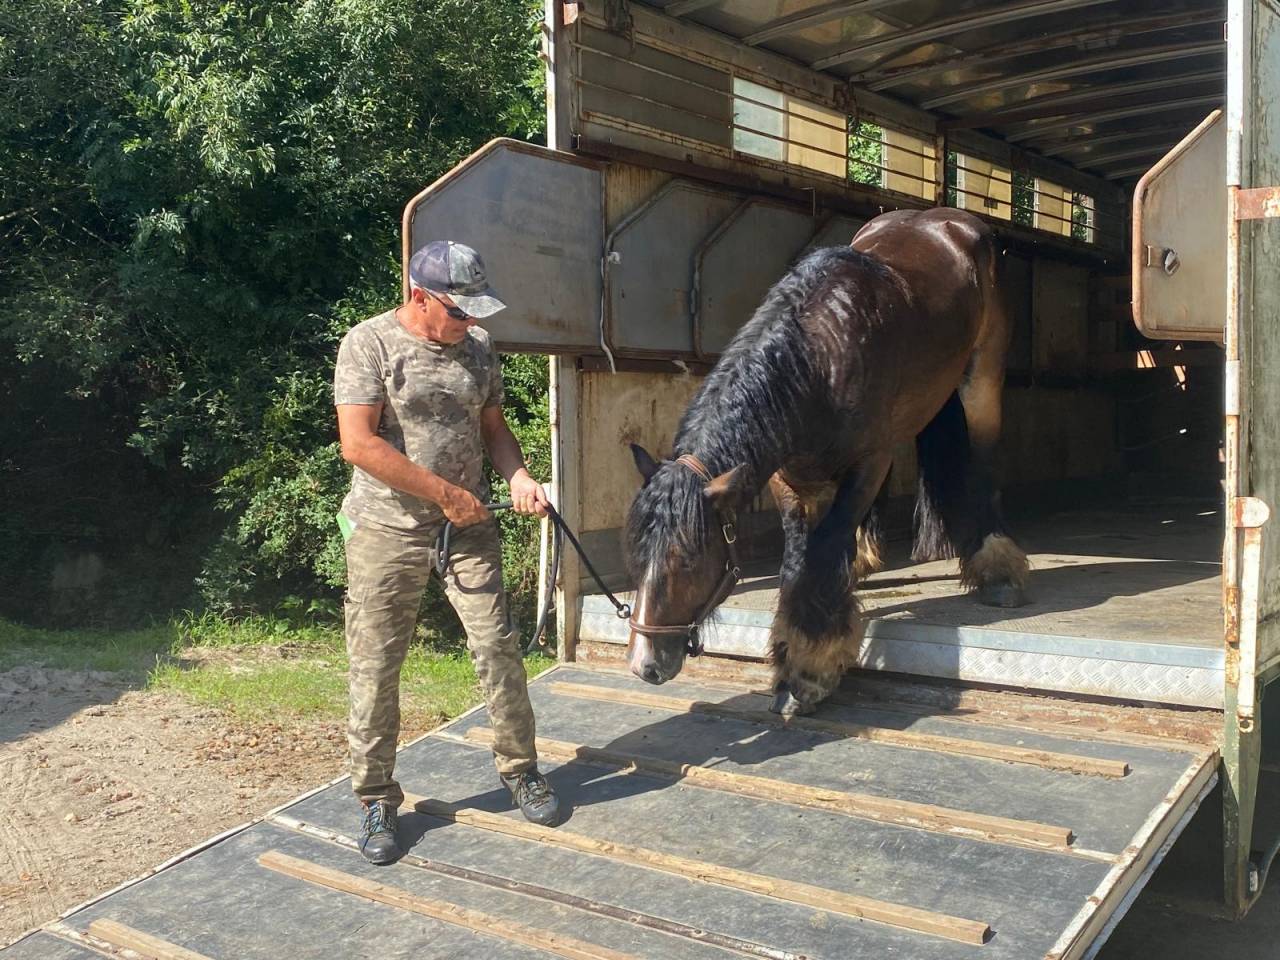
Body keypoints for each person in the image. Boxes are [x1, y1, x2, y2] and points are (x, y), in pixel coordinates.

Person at [333, 240, 560, 865]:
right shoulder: (369, 344)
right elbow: (358, 444)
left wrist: (517, 476)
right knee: (377, 664)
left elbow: (494, 430)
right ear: (419, 296)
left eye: (475, 311)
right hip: (387, 529)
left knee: (497, 646)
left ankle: (521, 768)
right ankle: (376, 798)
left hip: (468, 527)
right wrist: (447, 495)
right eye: (458, 311)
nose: (469, 323)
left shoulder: (480, 349)